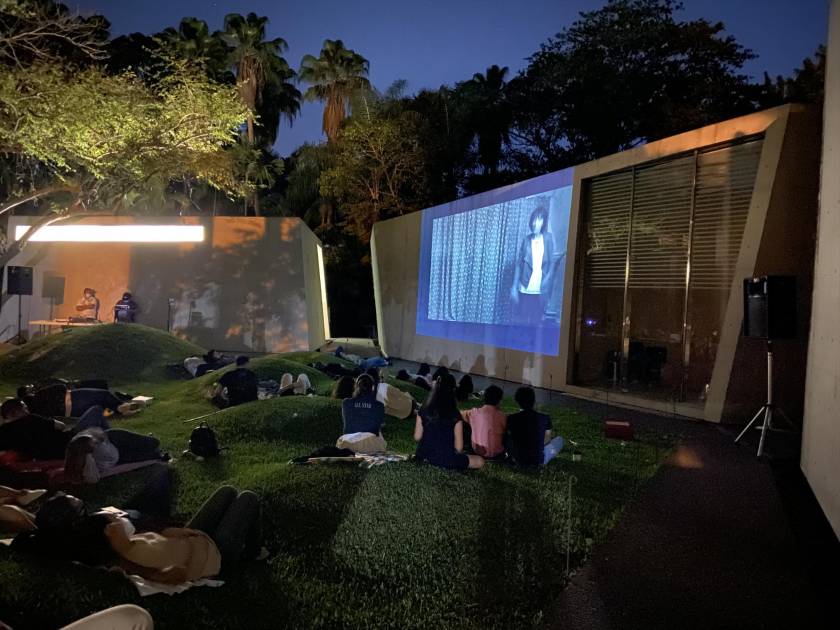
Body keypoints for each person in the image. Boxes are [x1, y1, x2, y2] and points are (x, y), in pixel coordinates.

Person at [14, 486, 261, 582]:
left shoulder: (95, 533)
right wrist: (164, 571)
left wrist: (170, 531)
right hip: (214, 558)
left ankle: (250, 548)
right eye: (79, 506)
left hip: (187, 539)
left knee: (227, 491)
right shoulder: (106, 551)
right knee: (248, 498)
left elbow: (26, 541)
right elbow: (165, 573)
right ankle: (252, 553)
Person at [64, 417, 165, 484]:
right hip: (120, 454)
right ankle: (146, 442)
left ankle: (146, 439)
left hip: (115, 438)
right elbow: (92, 479)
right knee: (152, 453)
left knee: (154, 442)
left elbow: (94, 434)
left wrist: (99, 438)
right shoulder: (85, 459)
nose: (96, 443)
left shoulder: (79, 446)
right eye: (94, 443)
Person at [0, 398, 109, 461]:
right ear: (15, 412)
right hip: (68, 443)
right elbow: (61, 426)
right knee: (96, 410)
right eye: (25, 408)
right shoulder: (31, 419)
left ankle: (105, 440)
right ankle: (109, 441)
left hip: (45, 456)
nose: (27, 411)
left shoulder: (3, 432)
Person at [414, 374, 483, 470]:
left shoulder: (424, 409)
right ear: (453, 390)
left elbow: (417, 437)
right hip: (445, 460)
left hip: (423, 455)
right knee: (480, 461)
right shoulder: (455, 414)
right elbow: (458, 448)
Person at [510, 206, 555, 324]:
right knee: (523, 321)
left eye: (539, 219)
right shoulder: (526, 240)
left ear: (544, 222)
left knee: (536, 322)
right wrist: (514, 287)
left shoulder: (548, 239)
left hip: (540, 289)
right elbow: (519, 265)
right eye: (534, 219)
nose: (535, 223)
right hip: (525, 287)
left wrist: (547, 281)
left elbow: (552, 263)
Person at [505, 387, 564, 466]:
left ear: (517, 401)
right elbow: (546, 441)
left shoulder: (511, 418)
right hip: (538, 460)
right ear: (533, 400)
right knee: (560, 440)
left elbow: (508, 438)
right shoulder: (545, 418)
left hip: (517, 459)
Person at [17, 383, 139, 418]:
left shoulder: (33, 412)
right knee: (103, 395)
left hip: (71, 413)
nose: (32, 387)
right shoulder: (38, 394)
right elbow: (61, 387)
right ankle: (120, 406)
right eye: (29, 388)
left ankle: (119, 411)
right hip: (72, 398)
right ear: (27, 393)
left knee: (99, 408)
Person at [462, 385, 507, 459]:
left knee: (463, 424)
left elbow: (460, 414)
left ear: (484, 398)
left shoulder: (474, 412)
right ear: (499, 401)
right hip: (497, 454)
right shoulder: (502, 416)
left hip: (477, 451)